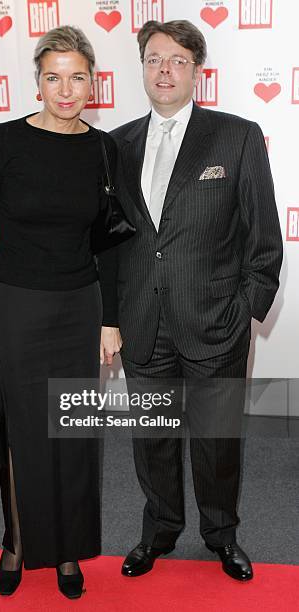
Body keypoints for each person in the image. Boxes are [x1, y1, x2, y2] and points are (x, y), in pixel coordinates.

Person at [105, 20, 283, 582]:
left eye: (178, 60)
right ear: (142, 67)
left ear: (197, 71)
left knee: (216, 444)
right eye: (154, 58)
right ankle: (158, 531)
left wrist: (245, 311)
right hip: (143, 325)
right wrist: (111, 316)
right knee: (151, 443)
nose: (165, 69)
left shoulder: (237, 136)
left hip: (216, 326)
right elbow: (108, 243)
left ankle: (221, 535)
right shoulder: (116, 145)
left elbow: (264, 238)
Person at [0, 25, 121, 599]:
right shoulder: (2, 141)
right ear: (37, 82)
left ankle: (67, 552)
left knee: (73, 433)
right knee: (20, 433)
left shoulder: (105, 150)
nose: (66, 89)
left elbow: (109, 242)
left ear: (93, 82)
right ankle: (18, 542)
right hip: (15, 305)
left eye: (77, 76)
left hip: (80, 305)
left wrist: (111, 319)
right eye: (53, 77)